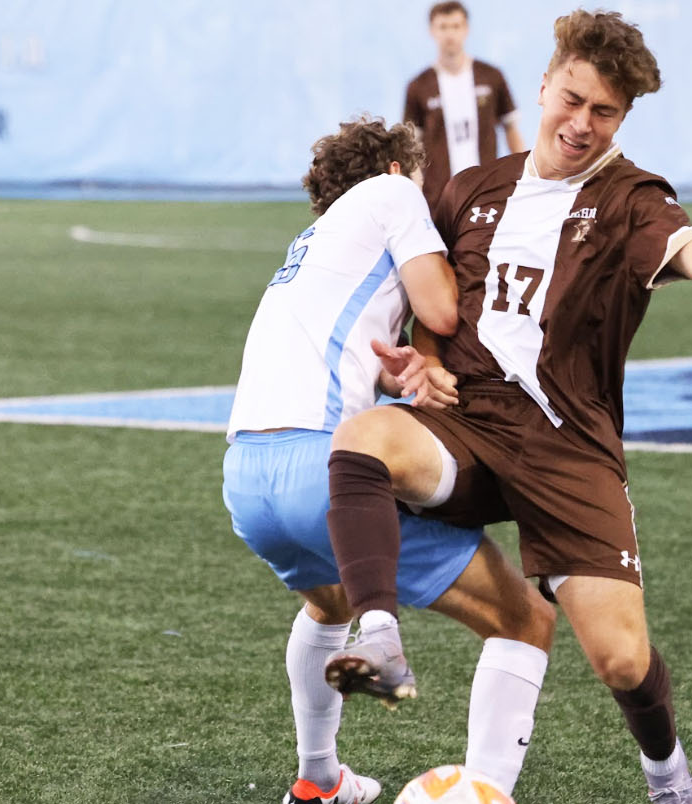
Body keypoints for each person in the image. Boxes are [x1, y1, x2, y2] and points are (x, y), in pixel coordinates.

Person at [322, 11, 692, 804]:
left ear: (623, 118)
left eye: (604, 111)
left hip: (567, 448)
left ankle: (670, 780)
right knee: (362, 440)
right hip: (466, 427)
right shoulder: (471, 191)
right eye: (572, 100)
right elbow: (436, 311)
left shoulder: (632, 198)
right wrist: (424, 364)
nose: (581, 123)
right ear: (543, 87)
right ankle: (380, 638)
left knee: (621, 660)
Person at [222, 115, 554, 803]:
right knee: (525, 619)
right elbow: (441, 310)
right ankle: (483, 789)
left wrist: (397, 373)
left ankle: (319, 782)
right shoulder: (392, 193)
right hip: (320, 468)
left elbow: (341, 352)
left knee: (330, 604)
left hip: (247, 479)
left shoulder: (315, 241)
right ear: (398, 170)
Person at [403, 2, 524, 209]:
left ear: (466, 29)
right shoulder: (419, 86)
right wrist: (414, 193)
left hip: (486, 193)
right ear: (432, 31)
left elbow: (511, 130)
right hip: (439, 199)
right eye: (443, 27)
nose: (450, 34)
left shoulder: (491, 76)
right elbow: (411, 146)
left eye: (456, 26)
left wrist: (523, 179)